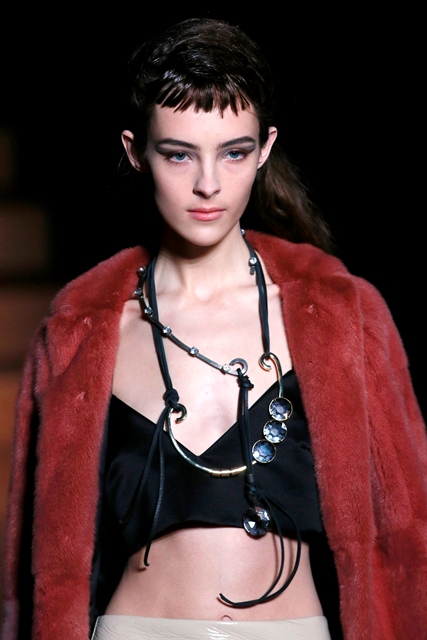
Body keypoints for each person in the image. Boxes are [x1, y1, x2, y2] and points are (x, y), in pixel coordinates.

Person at [2, 16, 427, 640]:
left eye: (234, 152)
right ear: (136, 152)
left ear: (265, 149)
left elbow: (406, 541)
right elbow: (30, 566)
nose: (208, 184)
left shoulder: (343, 316)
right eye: (179, 154)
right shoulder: (79, 332)